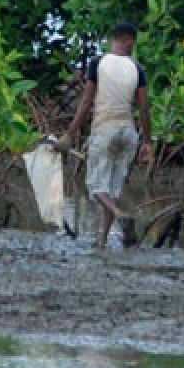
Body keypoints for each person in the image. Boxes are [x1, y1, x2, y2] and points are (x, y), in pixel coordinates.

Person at [60, 22, 152, 249]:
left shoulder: (98, 63)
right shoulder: (137, 68)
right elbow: (144, 108)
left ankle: (119, 214)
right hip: (128, 133)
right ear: (129, 40)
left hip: (105, 130)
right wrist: (147, 142)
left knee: (96, 185)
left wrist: (70, 133)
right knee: (111, 189)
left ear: (112, 40)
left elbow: (86, 102)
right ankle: (102, 241)